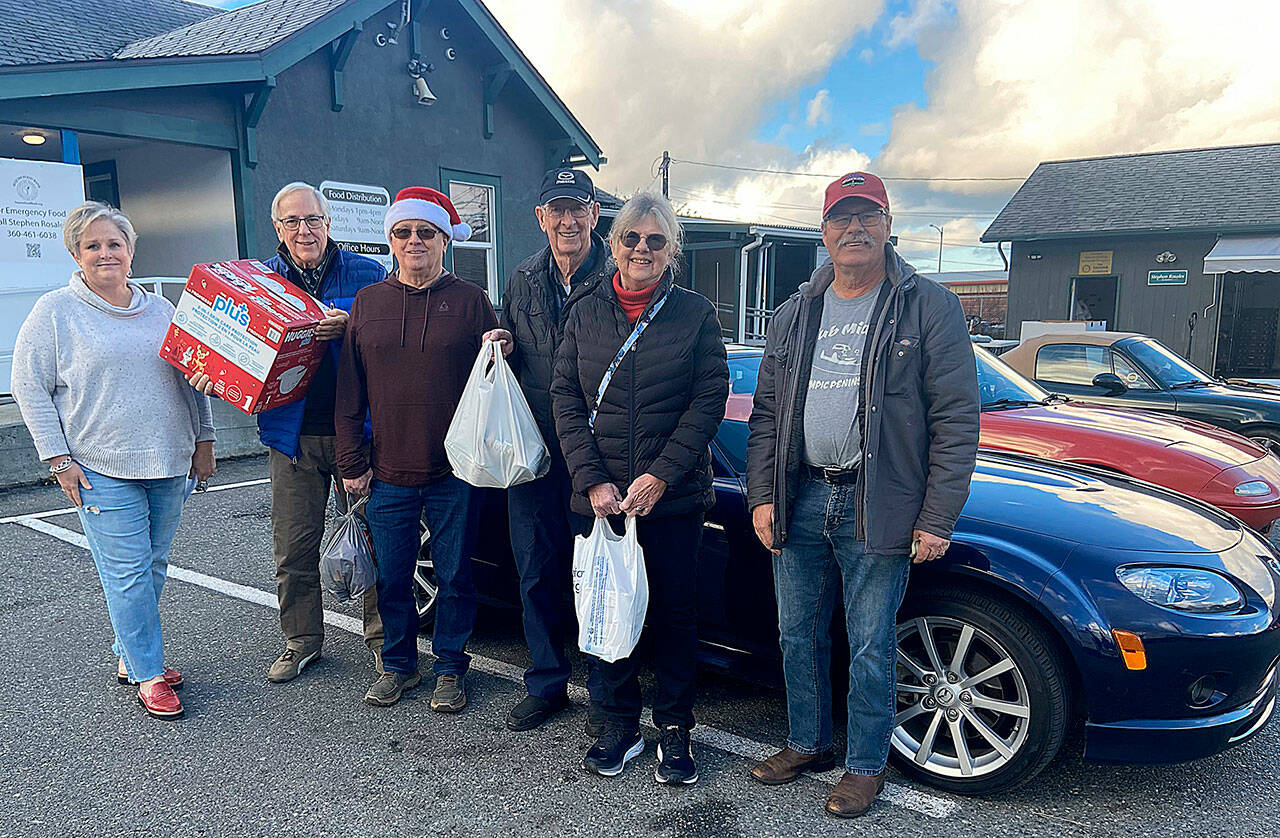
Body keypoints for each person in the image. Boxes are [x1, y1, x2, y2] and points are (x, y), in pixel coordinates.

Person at [744, 172, 978, 817]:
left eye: (866, 217)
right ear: (823, 232)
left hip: (880, 503)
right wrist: (762, 494)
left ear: (887, 224)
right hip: (803, 495)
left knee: (872, 643)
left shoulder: (928, 306)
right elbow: (768, 413)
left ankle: (865, 764)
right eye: (841, 219)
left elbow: (956, 416)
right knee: (797, 634)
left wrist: (937, 515)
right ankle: (806, 742)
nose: (854, 230)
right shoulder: (796, 313)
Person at [11, 201, 217, 720]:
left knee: (152, 566)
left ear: (131, 251)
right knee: (127, 575)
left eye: (114, 243)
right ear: (76, 254)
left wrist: (205, 442)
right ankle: (149, 673)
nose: (105, 253)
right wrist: (58, 459)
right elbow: (28, 387)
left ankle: (131, 655)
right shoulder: (55, 312)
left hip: (170, 460)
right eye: (93, 245)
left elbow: (194, 380)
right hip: (100, 465)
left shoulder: (164, 311)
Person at [552, 193, 728, 783]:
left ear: (672, 249)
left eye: (655, 241)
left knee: (675, 616)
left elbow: (708, 401)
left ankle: (675, 727)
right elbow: (566, 401)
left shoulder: (695, 314)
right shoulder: (584, 311)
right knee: (607, 609)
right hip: (599, 501)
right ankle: (617, 719)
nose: (642, 250)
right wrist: (593, 479)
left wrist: (662, 475)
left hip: (671, 500)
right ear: (613, 244)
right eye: (631, 239)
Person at [335, 187, 511, 711]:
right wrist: (352, 461)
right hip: (387, 470)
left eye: (425, 232)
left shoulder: (471, 300)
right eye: (403, 232)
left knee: (456, 576)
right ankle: (398, 665)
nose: (414, 241)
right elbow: (349, 390)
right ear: (390, 240)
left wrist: (507, 347)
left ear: (443, 240)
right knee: (393, 577)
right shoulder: (370, 303)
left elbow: (499, 373)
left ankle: (452, 668)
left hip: (455, 470)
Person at [489, 168, 610, 733]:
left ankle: (608, 691)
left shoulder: (618, 274)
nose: (567, 220)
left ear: (593, 214)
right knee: (536, 570)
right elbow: (514, 352)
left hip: (599, 454)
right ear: (540, 218)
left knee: (598, 575)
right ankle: (547, 681)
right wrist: (502, 344)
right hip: (534, 451)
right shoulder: (522, 279)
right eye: (556, 210)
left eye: (577, 207)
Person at [257, 182, 387, 683]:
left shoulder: (367, 274)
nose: (304, 230)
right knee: (293, 547)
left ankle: (383, 643)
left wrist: (350, 323)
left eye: (313, 220)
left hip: (360, 432)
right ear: (278, 228)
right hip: (291, 435)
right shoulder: (261, 279)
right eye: (292, 222)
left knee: (374, 541)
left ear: (328, 223)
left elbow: (389, 336)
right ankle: (301, 641)